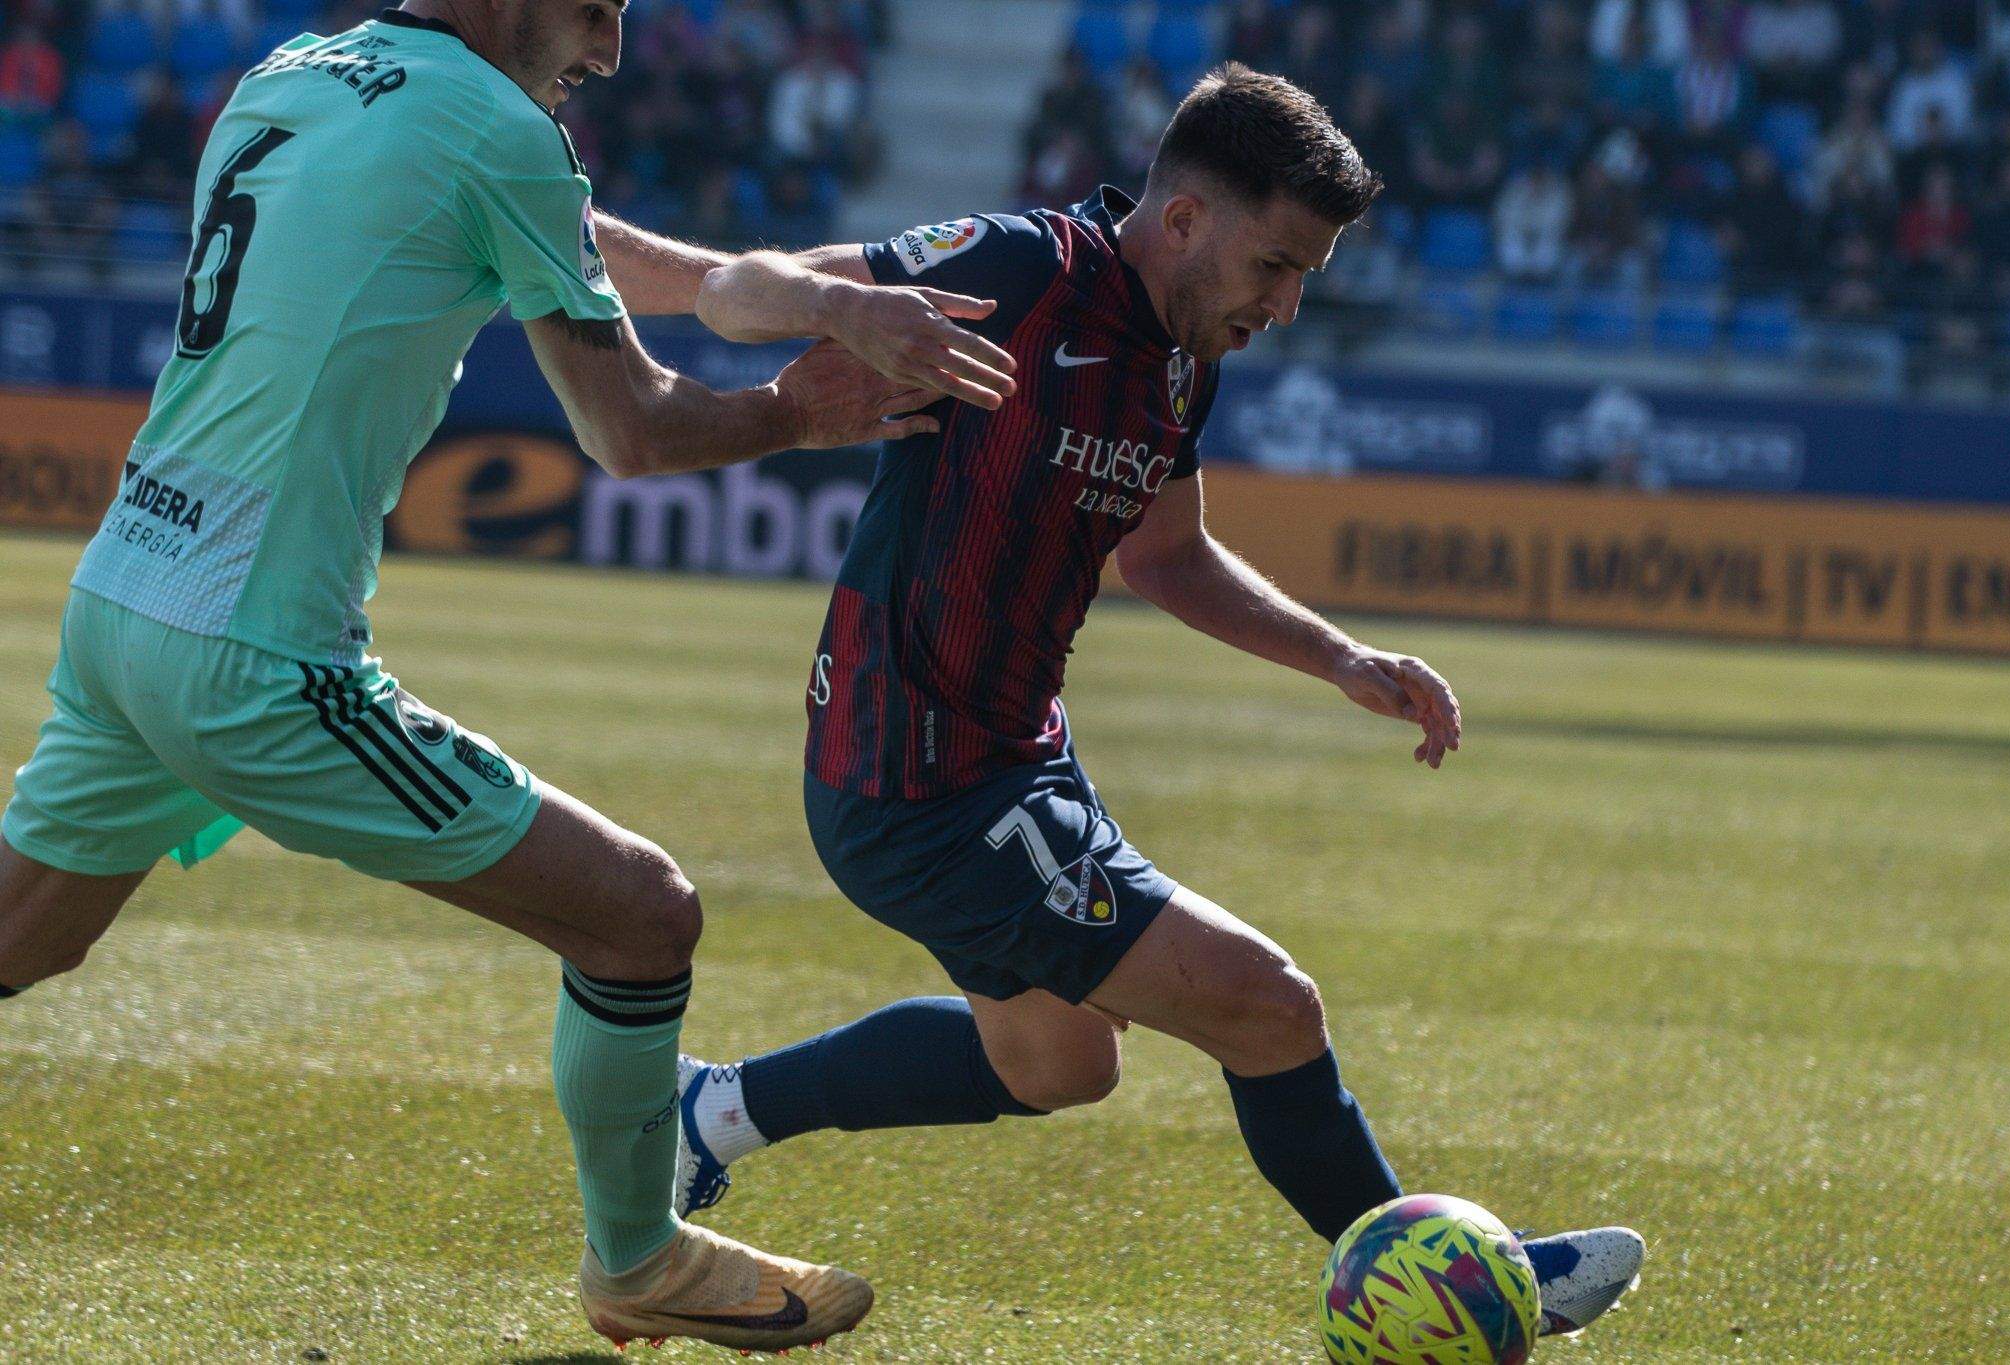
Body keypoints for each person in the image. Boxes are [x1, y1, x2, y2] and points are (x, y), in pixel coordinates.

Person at [0, 0, 1023, 1354]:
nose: (611, 46)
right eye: (597, 5)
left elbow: (585, 240)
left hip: (125, 592)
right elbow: (635, 431)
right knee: (641, 919)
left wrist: (814, 293)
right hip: (253, 651)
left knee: (26, 935)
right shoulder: (496, 128)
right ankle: (640, 1259)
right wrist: (796, 410)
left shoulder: (298, 70)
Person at [673, 63, 1646, 1341]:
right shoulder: (1020, 272)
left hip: (1012, 759)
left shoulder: (1184, 359)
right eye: (1278, 267)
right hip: (911, 776)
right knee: (1265, 1004)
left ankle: (710, 1114)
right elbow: (734, 292)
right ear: (1184, 220)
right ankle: (1460, 1274)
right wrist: (845, 311)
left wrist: (1339, 660)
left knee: (1058, 1063)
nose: (1286, 307)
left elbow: (1165, 555)